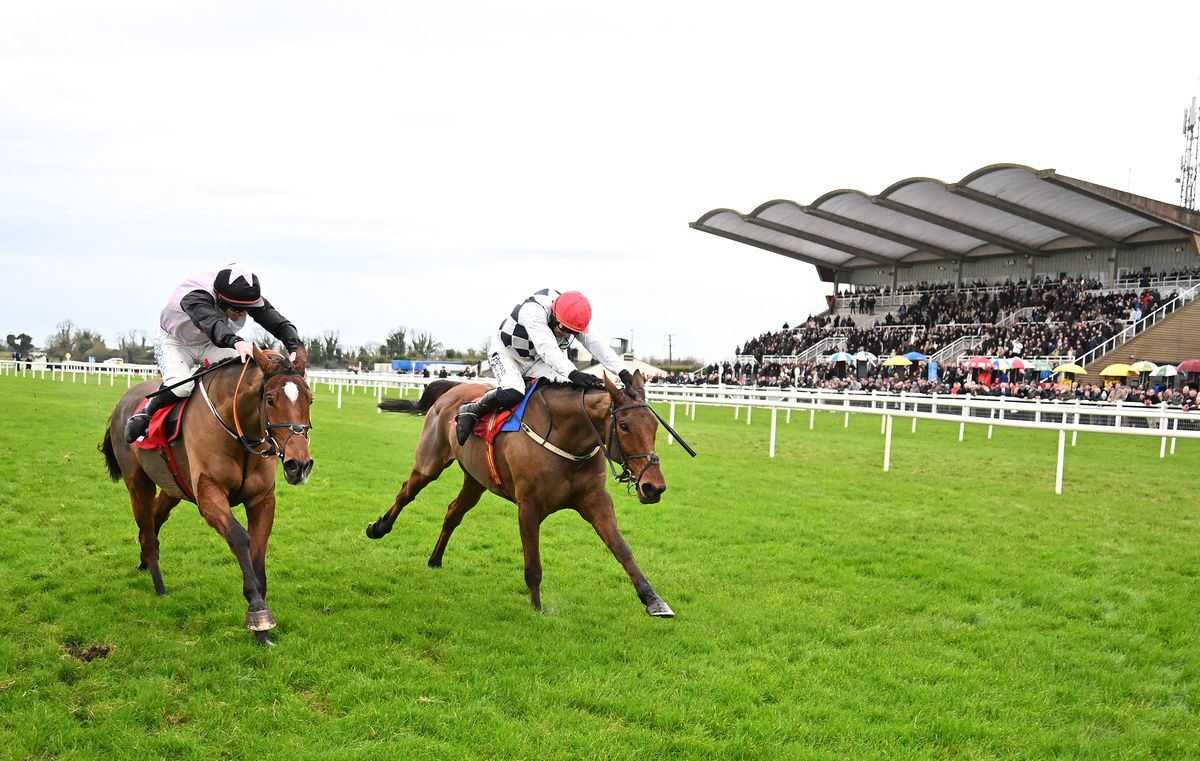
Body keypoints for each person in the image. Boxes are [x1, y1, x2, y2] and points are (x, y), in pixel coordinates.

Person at [123, 263, 303, 443]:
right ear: (221, 300)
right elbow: (211, 323)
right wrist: (236, 342)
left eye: (247, 310)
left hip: (210, 344)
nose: (243, 314)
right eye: (238, 310)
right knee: (181, 387)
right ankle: (147, 412)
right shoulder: (195, 296)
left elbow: (278, 323)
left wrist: (296, 348)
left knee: (247, 372)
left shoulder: (242, 296)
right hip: (175, 343)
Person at [455, 289, 634, 446]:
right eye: (563, 329)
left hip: (537, 359)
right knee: (513, 392)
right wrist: (574, 373)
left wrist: (623, 371)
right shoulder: (533, 311)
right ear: (554, 314)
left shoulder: (572, 315)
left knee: (568, 391)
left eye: (571, 333)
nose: (565, 335)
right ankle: (473, 409)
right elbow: (547, 348)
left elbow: (596, 344)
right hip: (507, 354)